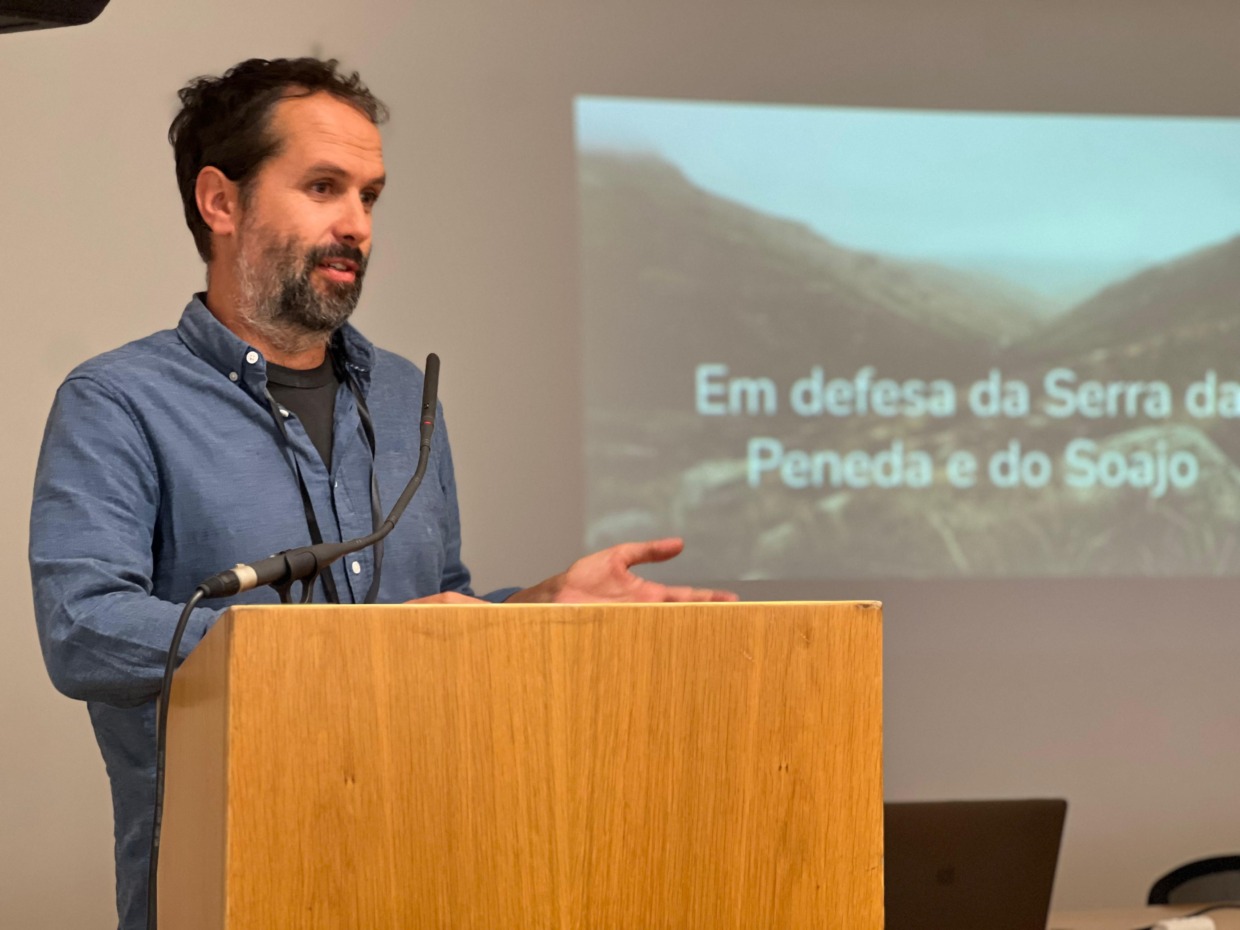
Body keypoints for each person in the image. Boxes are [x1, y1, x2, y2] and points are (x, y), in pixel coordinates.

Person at [28, 57, 735, 930]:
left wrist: (536, 609)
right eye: (323, 187)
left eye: (369, 197)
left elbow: (430, 619)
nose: (356, 225)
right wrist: (332, 649)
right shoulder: (119, 401)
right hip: (230, 887)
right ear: (221, 202)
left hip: (429, 876)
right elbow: (84, 629)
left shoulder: (405, 398)